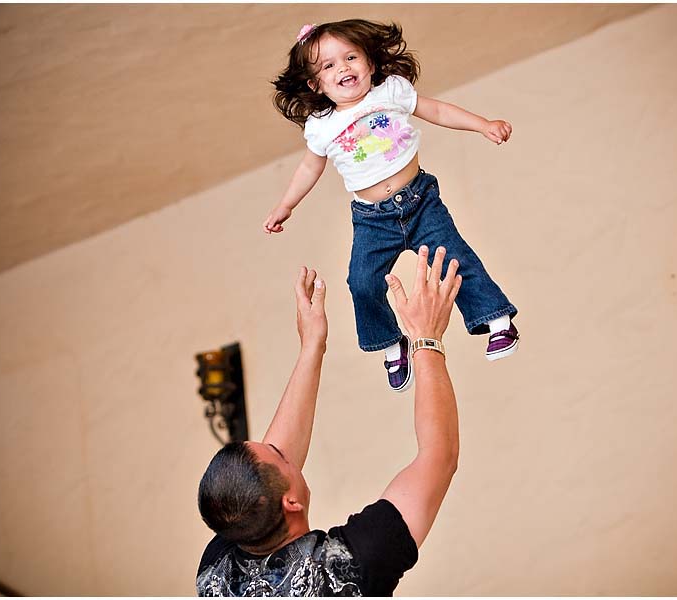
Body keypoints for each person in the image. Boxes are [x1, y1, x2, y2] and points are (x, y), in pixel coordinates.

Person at [264, 19, 519, 393]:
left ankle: (496, 321)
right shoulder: (321, 126)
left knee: (453, 259)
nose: (343, 68)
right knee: (361, 281)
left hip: (419, 202)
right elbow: (309, 167)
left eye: (351, 57)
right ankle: (389, 343)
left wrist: (482, 125)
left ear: (369, 62)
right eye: (329, 66)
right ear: (315, 84)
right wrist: (286, 205)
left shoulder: (391, 92)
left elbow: (437, 111)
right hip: (372, 221)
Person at [197, 246, 462, 596]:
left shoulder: (216, 573)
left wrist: (312, 346)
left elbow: (266, 482)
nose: (285, 449)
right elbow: (439, 457)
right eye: (280, 454)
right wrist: (426, 336)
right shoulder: (347, 567)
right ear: (289, 504)